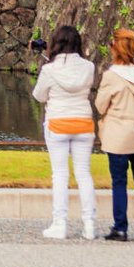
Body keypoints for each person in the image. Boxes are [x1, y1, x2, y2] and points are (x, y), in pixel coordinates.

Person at [32, 23, 99, 240]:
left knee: (60, 175)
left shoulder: (50, 69)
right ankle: (89, 224)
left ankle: (59, 223)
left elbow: (39, 96)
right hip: (83, 122)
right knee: (84, 174)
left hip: (58, 123)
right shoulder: (88, 67)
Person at [95, 27, 134, 242]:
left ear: (115, 48)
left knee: (119, 182)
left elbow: (100, 105)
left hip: (119, 136)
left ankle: (120, 227)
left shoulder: (112, 76)